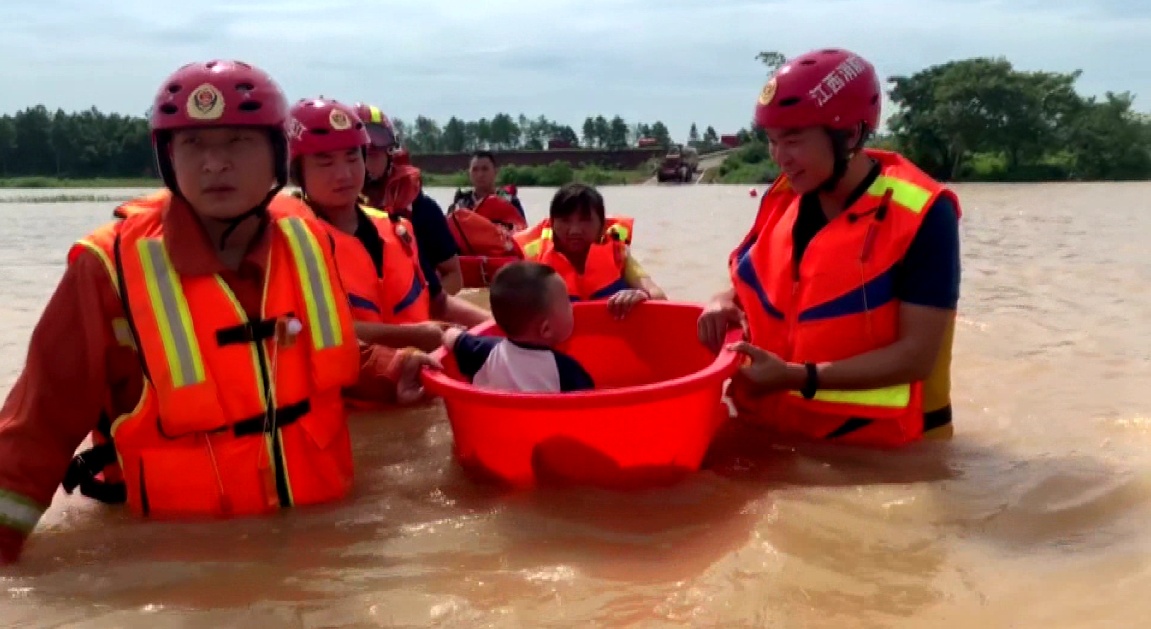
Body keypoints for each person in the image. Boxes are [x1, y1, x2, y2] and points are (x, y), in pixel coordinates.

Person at [0, 61, 441, 564]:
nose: (214, 163)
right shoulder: (109, 269)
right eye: (193, 145)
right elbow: (35, 426)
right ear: (169, 158)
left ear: (277, 155)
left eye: (237, 142)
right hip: (184, 568)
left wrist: (390, 369)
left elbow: (319, 355)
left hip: (326, 549)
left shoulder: (308, 239)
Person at [697, 48, 961, 447]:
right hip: (767, 430)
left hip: (865, 454)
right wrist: (722, 300)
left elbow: (916, 356)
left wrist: (797, 376)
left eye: (794, 140)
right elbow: (765, 281)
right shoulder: (786, 196)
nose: (779, 158)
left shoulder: (924, 214)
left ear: (850, 135)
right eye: (772, 140)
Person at [289, 97, 490, 354]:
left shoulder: (397, 229)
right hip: (357, 388)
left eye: (353, 157)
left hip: (429, 379)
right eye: (325, 162)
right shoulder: (288, 243)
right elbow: (309, 330)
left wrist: (500, 330)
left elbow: (438, 302)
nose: (344, 174)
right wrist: (411, 337)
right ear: (296, 173)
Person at [355, 102, 464, 295]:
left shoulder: (421, 209)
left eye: (373, 153)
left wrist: (423, 313)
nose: (363, 162)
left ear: (390, 152)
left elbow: (454, 275)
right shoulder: (329, 211)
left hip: (412, 317)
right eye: (354, 154)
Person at [515, 183, 666, 318]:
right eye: (565, 221)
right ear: (552, 224)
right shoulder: (533, 264)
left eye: (585, 220)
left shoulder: (619, 255)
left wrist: (640, 295)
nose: (574, 230)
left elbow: (658, 296)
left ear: (602, 226)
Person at [442, 261, 594, 393]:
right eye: (567, 304)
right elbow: (591, 406)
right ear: (546, 329)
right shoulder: (566, 370)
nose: (572, 308)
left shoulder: (485, 351)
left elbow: (451, 337)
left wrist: (451, 331)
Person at [448, 150, 528, 227]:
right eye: (475, 170)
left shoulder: (510, 202)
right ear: (469, 173)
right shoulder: (460, 205)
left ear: (495, 172)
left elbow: (522, 235)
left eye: (485, 169)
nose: (480, 174)